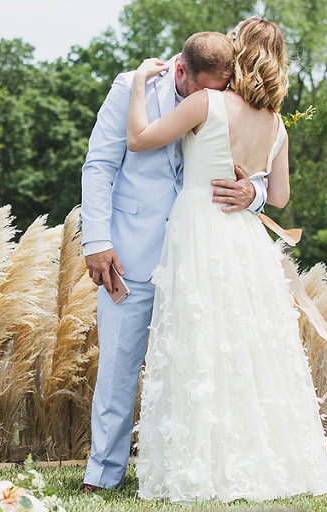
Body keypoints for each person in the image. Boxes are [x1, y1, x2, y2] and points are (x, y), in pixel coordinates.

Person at [126, 18, 327, 502]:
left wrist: (138, 81)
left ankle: (203, 466)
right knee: (246, 345)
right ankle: (263, 462)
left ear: (238, 53)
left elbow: (139, 138)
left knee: (201, 341)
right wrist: (253, 190)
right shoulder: (277, 123)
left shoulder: (207, 102)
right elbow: (279, 196)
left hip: (200, 226)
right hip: (245, 238)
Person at [80, 32, 268, 492]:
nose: (211, 99)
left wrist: (255, 194)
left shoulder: (223, 97)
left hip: (200, 258)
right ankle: (103, 475)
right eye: (203, 89)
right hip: (131, 251)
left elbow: (256, 162)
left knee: (197, 367)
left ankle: (186, 471)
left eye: (218, 90)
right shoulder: (131, 87)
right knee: (119, 366)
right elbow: (99, 165)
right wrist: (97, 240)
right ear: (180, 71)